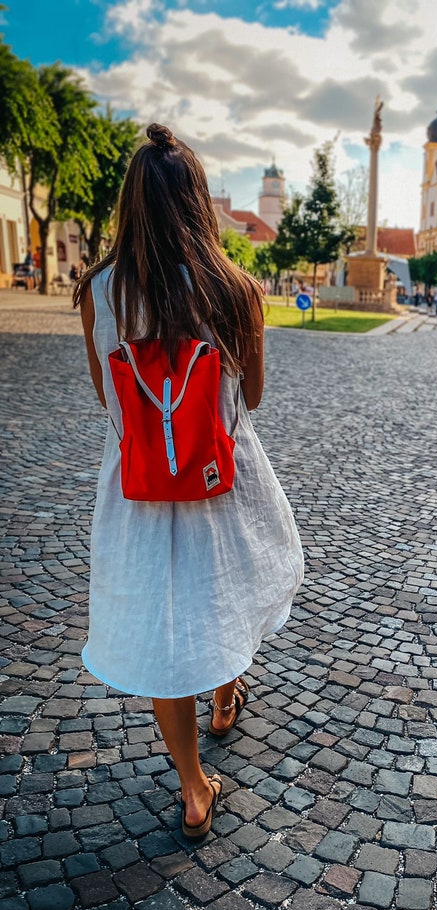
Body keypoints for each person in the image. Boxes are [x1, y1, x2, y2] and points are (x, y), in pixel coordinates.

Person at [73, 124, 303, 841]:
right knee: (228, 591)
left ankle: (193, 785)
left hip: (140, 489)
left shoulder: (101, 291)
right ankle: (228, 690)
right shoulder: (236, 289)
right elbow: (253, 398)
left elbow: (106, 403)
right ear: (200, 203)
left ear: (130, 205)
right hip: (219, 478)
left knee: (163, 632)